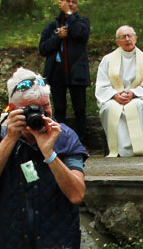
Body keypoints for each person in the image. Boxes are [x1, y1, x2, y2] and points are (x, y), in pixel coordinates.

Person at [0, 68, 88, 249]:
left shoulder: (65, 137)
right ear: (13, 110)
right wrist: (10, 138)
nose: (42, 114)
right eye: (32, 109)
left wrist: (50, 153)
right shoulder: (0, 136)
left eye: (46, 106)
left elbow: (77, 194)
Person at [95, 26, 143, 157]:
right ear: (117, 42)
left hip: (140, 97)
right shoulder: (107, 60)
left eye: (130, 36)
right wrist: (114, 95)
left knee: (137, 105)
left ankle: (141, 148)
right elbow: (102, 84)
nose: (127, 39)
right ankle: (119, 150)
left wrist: (133, 93)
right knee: (109, 107)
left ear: (135, 38)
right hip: (115, 97)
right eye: (123, 37)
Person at [39, 0, 91, 144]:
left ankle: (81, 142)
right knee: (59, 108)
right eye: (68, 2)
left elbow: (80, 34)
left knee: (80, 108)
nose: (71, 5)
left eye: (73, 2)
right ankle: (59, 142)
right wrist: (58, 37)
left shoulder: (83, 22)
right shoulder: (52, 26)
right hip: (57, 71)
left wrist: (69, 14)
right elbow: (43, 49)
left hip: (76, 70)